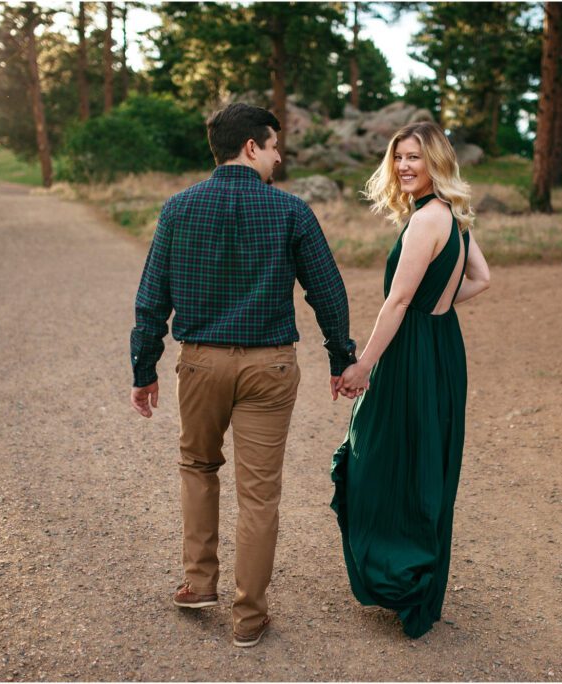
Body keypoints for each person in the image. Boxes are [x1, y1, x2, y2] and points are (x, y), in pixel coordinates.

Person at [130, 103, 357, 648]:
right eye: (274, 146)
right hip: (269, 366)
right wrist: (340, 357)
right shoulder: (292, 211)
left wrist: (144, 368)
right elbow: (327, 291)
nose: (279, 157)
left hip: (201, 363)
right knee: (259, 494)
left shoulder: (178, 208)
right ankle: (249, 617)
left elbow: (151, 298)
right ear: (251, 147)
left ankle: (198, 583)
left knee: (197, 466)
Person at [331, 121, 491, 638]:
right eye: (398, 156)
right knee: (424, 459)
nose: (403, 166)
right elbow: (481, 278)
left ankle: (400, 577)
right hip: (442, 345)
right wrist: (436, 306)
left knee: (379, 454)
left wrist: (363, 365)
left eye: (414, 157)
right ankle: (417, 581)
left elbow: (398, 301)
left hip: (411, 351)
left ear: (436, 161)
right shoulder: (455, 216)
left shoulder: (427, 220)